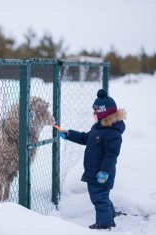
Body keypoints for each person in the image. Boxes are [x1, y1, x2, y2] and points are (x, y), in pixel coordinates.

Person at [58, 88, 126, 230]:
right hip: (94, 172)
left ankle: (104, 223)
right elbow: (85, 138)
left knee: (99, 198)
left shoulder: (112, 133)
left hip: (101, 174)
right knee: (102, 197)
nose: (92, 115)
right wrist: (70, 134)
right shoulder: (98, 128)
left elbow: (111, 155)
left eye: (94, 113)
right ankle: (110, 217)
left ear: (102, 114)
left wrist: (104, 172)